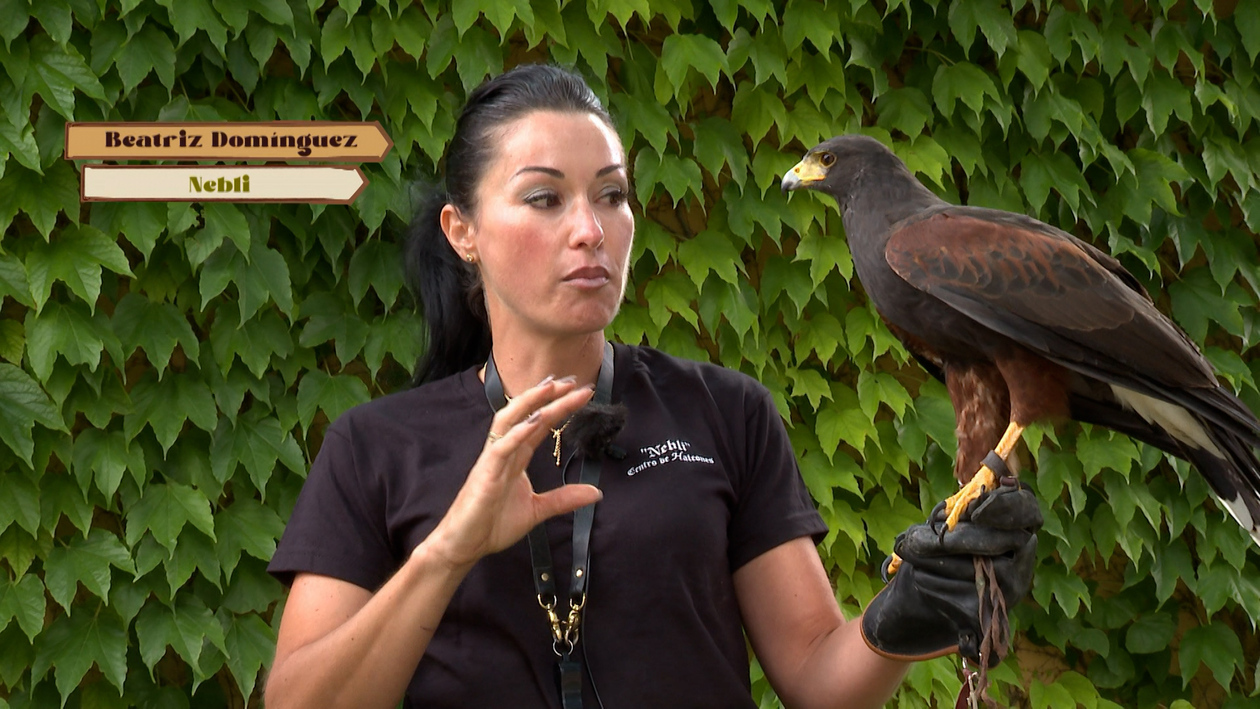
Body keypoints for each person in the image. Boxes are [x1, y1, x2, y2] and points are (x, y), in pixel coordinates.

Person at [264, 64, 1039, 709]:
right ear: (461, 231)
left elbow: (816, 675)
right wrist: (448, 550)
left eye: (611, 194)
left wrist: (906, 614)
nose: (590, 230)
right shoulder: (374, 447)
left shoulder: (725, 412)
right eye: (545, 198)